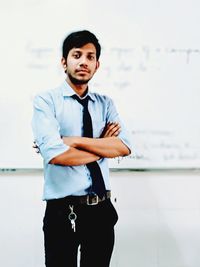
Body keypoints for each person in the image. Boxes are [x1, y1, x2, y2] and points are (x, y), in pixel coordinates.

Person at [32, 30, 131, 267]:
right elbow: (55, 154)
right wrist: (102, 146)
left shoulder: (106, 104)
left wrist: (72, 140)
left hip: (101, 210)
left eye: (90, 56)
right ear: (64, 61)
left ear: (97, 65)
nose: (83, 62)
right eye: (77, 55)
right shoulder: (46, 101)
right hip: (62, 211)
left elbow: (124, 146)